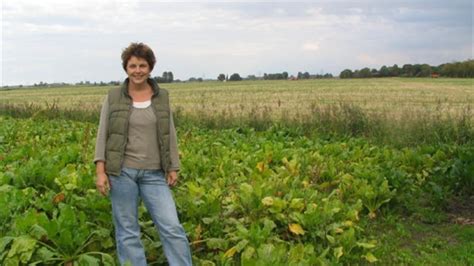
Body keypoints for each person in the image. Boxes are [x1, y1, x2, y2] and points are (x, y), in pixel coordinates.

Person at [94, 42, 192, 266]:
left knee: (172, 227)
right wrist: (101, 171)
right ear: (126, 68)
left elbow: (170, 133)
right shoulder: (113, 97)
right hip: (122, 173)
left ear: (150, 68)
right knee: (127, 230)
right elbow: (103, 135)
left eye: (142, 65)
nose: (137, 70)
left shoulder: (161, 96)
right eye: (132, 66)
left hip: (154, 173)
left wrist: (173, 166)